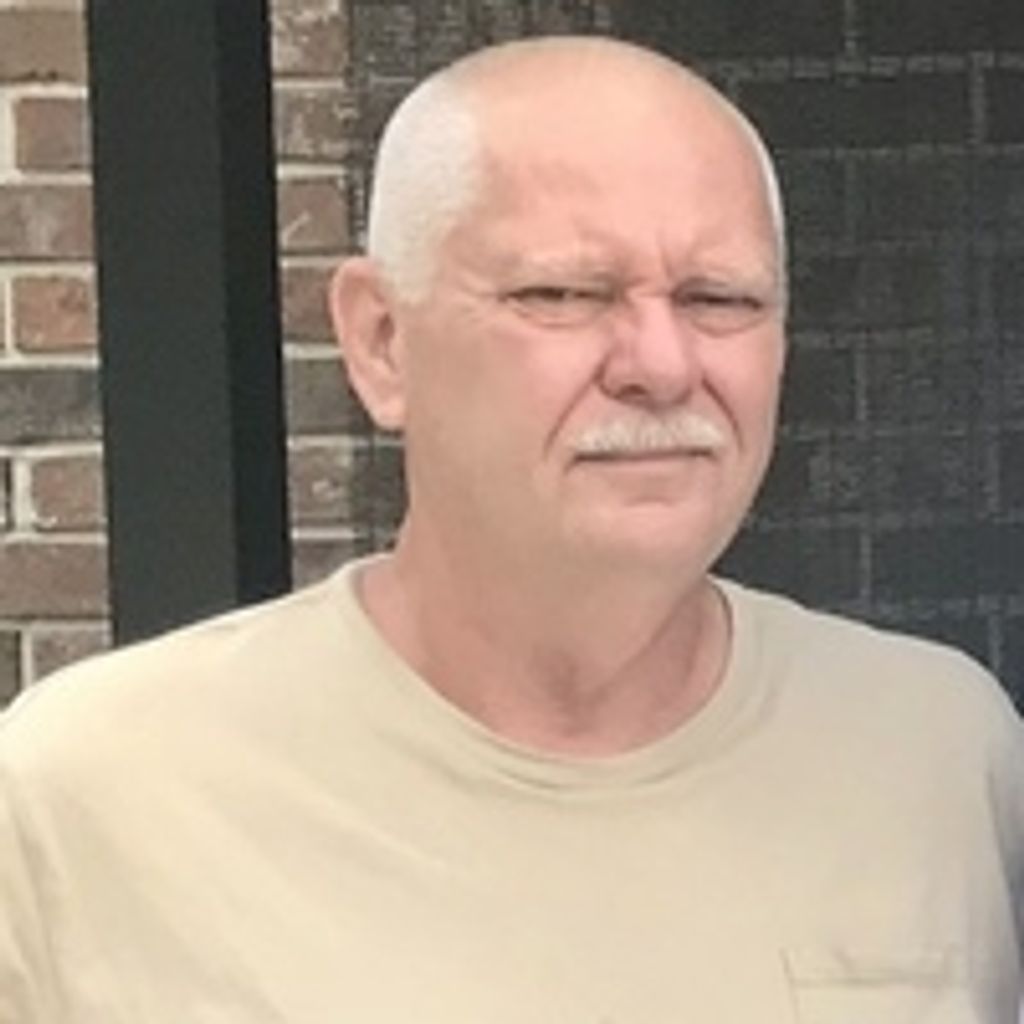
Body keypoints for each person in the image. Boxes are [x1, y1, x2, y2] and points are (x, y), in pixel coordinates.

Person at [1, 35, 1021, 1023]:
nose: (662, 365)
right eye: (564, 294)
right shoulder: (90, 800)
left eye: (720, 298)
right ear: (381, 341)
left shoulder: (937, 759)